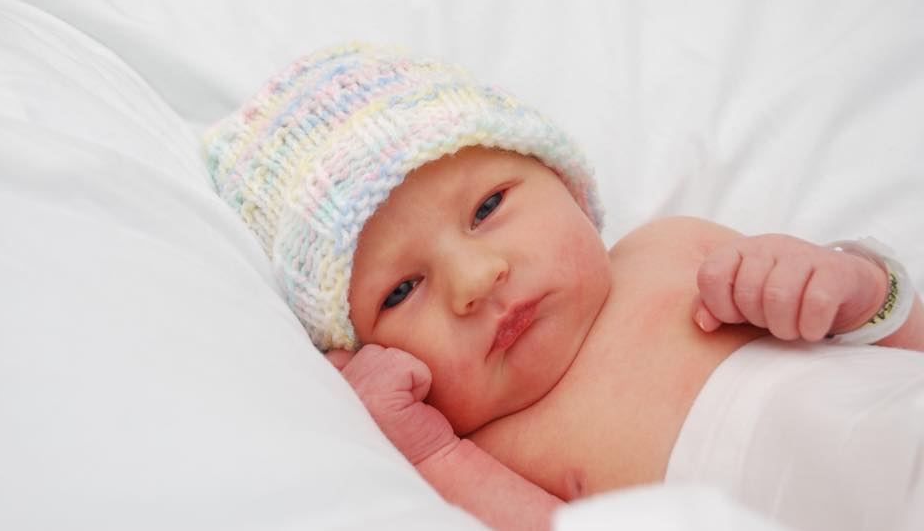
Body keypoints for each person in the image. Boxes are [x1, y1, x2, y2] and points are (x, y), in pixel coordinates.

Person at [203, 42, 924, 531]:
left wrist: (854, 288)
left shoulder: (674, 249)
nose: (476, 279)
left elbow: (906, 338)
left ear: (567, 185)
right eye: (400, 291)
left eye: (488, 207)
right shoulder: (495, 450)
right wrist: (432, 458)